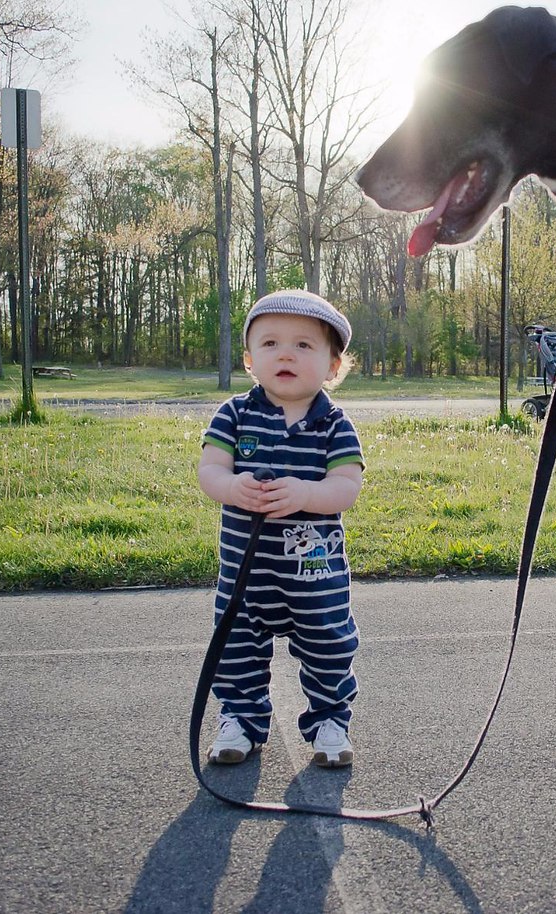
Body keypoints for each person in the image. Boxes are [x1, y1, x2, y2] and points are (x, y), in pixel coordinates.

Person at [198, 289, 364, 767]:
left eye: (304, 345)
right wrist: (232, 488)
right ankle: (240, 720)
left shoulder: (334, 424)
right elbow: (210, 471)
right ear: (250, 360)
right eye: (270, 344)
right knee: (235, 650)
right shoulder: (234, 414)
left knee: (329, 646)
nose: (285, 354)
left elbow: (347, 485)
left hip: (315, 576)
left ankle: (330, 721)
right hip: (246, 576)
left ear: (334, 367)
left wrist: (307, 495)